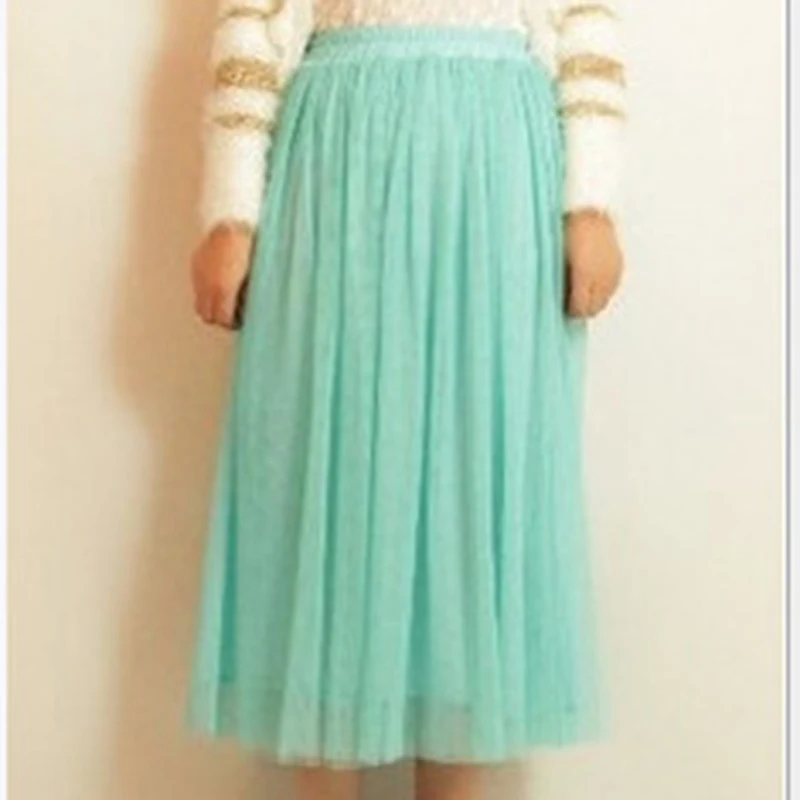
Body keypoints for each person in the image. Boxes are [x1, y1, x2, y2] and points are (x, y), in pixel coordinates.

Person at [186, 1, 625, 798]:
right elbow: (253, 20)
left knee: (473, 488)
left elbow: (585, 20)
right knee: (335, 485)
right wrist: (231, 213)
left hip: (496, 174)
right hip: (339, 167)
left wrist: (591, 202)